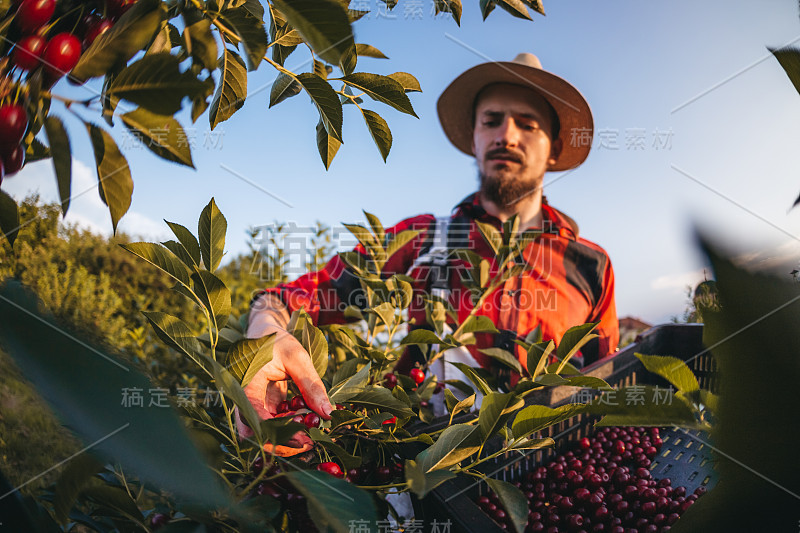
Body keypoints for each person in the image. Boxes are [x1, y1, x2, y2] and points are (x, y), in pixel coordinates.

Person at [238, 53, 619, 453]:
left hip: (546, 471)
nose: (506, 135)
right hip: (422, 473)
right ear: (473, 138)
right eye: (491, 121)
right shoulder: (421, 240)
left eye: (527, 124)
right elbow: (290, 298)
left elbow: (603, 381)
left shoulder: (591, 266)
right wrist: (266, 333)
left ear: (555, 148)